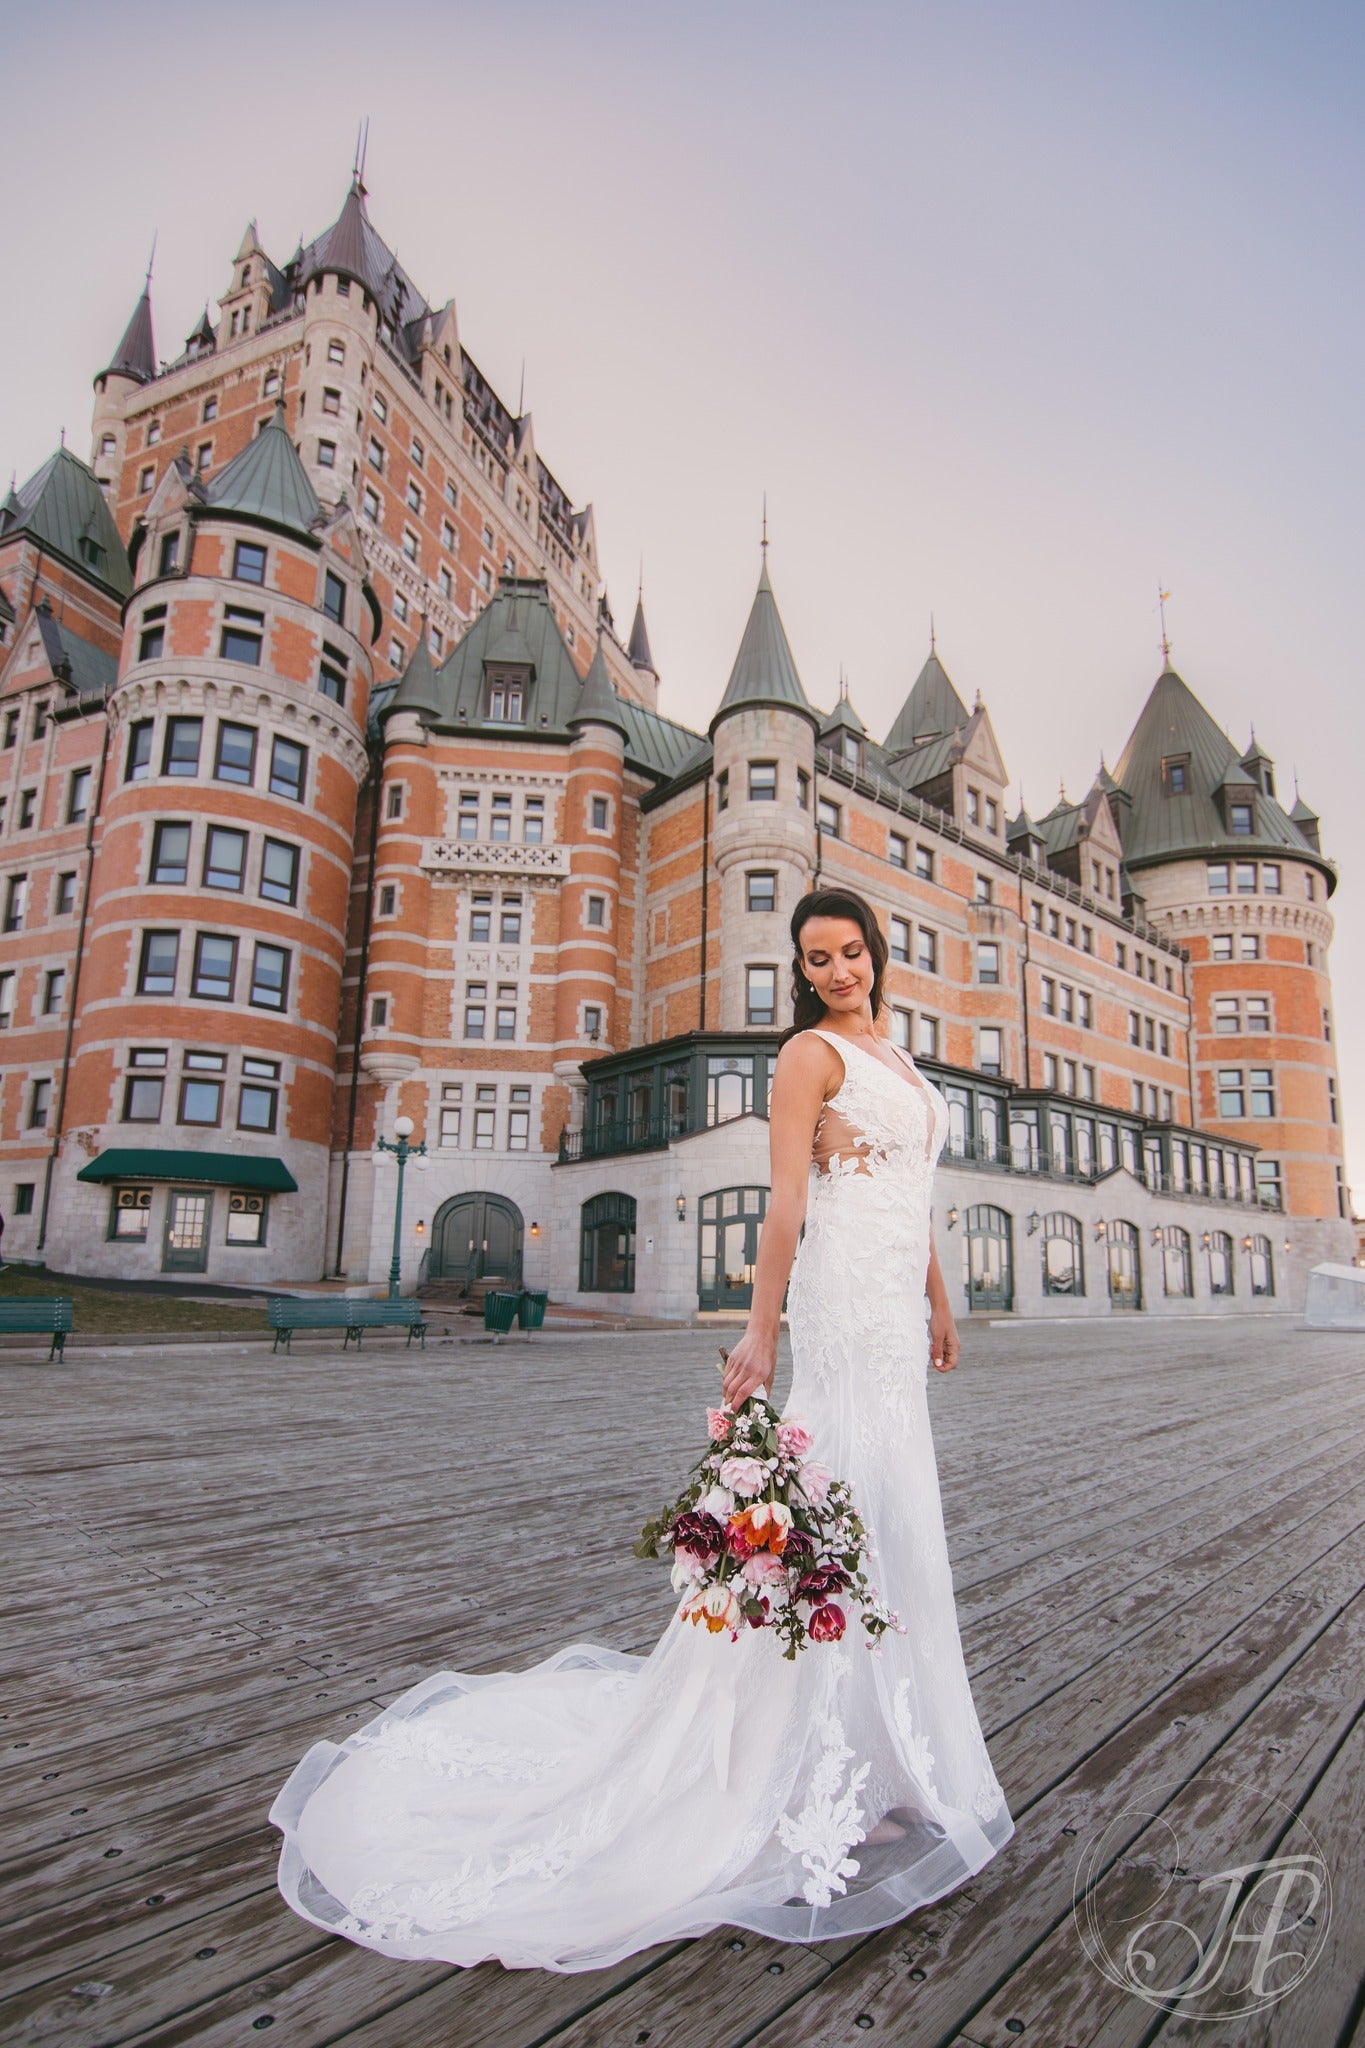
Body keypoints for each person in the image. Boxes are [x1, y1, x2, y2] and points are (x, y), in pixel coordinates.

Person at [271, 886, 1012, 1971]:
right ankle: (793, 1763)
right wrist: (760, 1329)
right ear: (801, 970)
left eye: (853, 951)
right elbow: (789, 1203)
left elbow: (917, 1192)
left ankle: (881, 1757)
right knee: (839, 1504)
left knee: (896, 1511)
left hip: (900, 1310)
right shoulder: (808, 1054)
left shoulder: (901, 1061)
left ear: (875, 953)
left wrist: (943, 1299)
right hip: (842, 1308)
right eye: (819, 956)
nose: (840, 969)